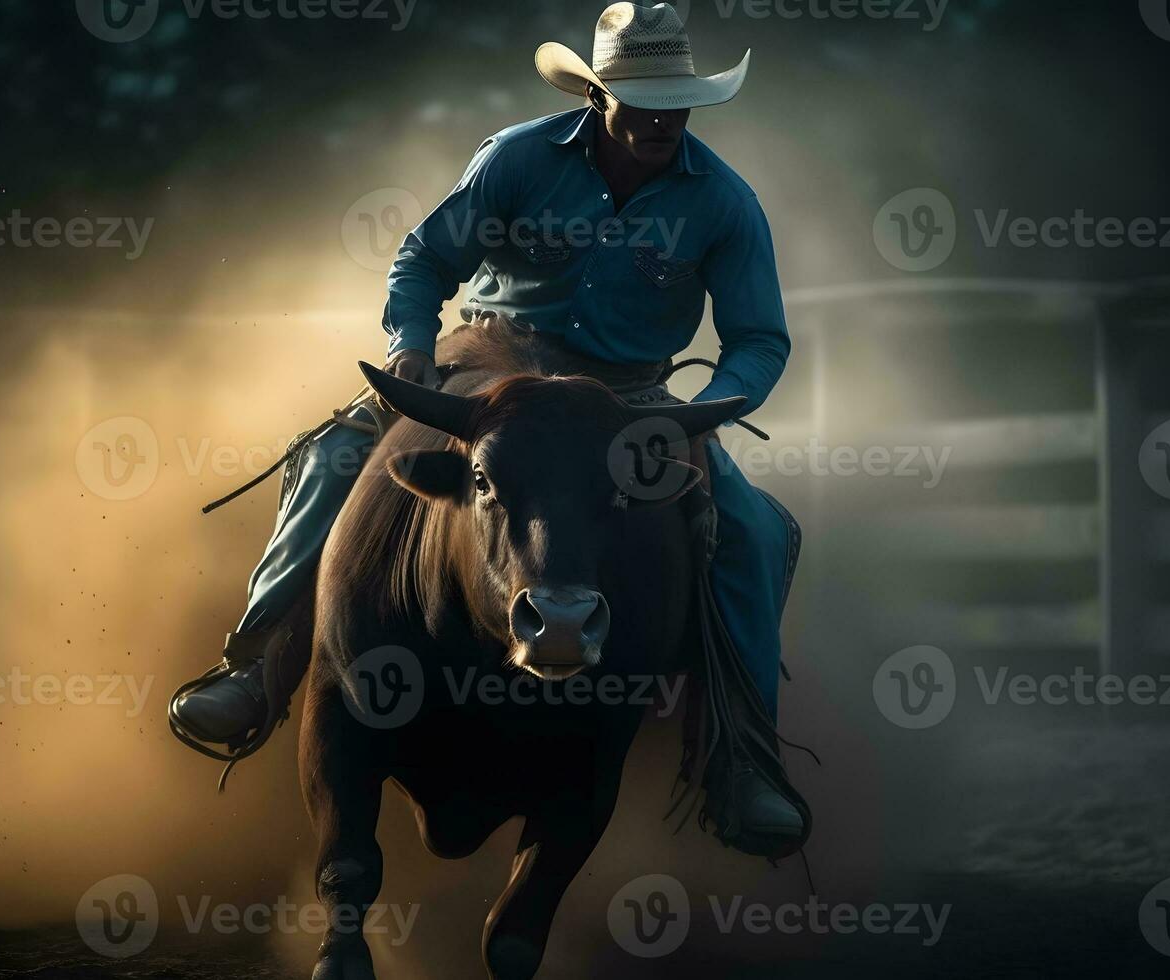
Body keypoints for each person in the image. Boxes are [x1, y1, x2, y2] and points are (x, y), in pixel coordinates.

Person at [173, 1, 806, 854]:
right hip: (490, 367)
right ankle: (255, 667)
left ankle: (743, 759)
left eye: (678, 97)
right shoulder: (517, 160)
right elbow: (426, 261)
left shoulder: (723, 202)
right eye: (643, 97)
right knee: (332, 456)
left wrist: (702, 412)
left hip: (630, 400)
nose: (663, 117)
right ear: (596, 96)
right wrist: (408, 350)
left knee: (757, 532)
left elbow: (759, 339)